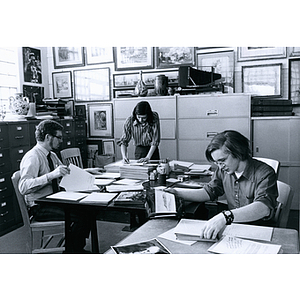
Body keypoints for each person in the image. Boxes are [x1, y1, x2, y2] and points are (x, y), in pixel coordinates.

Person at [166, 130, 278, 240]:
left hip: (258, 232)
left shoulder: (265, 173)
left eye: (222, 160)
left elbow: (263, 208)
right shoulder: (225, 170)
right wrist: (177, 192)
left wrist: (225, 216)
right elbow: (209, 192)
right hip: (234, 228)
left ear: (238, 153)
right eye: (216, 163)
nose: (220, 166)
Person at [19, 120, 91, 253]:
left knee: (87, 210)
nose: (61, 141)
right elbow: (23, 187)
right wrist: (51, 176)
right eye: (59, 137)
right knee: (80, 217)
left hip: (54, 200)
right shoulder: (32, 157)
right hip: (39, 206)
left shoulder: (51, 155)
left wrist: (89, 172)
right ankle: (73, 251)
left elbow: (65, 171)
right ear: (48, 137)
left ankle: (75, 248)